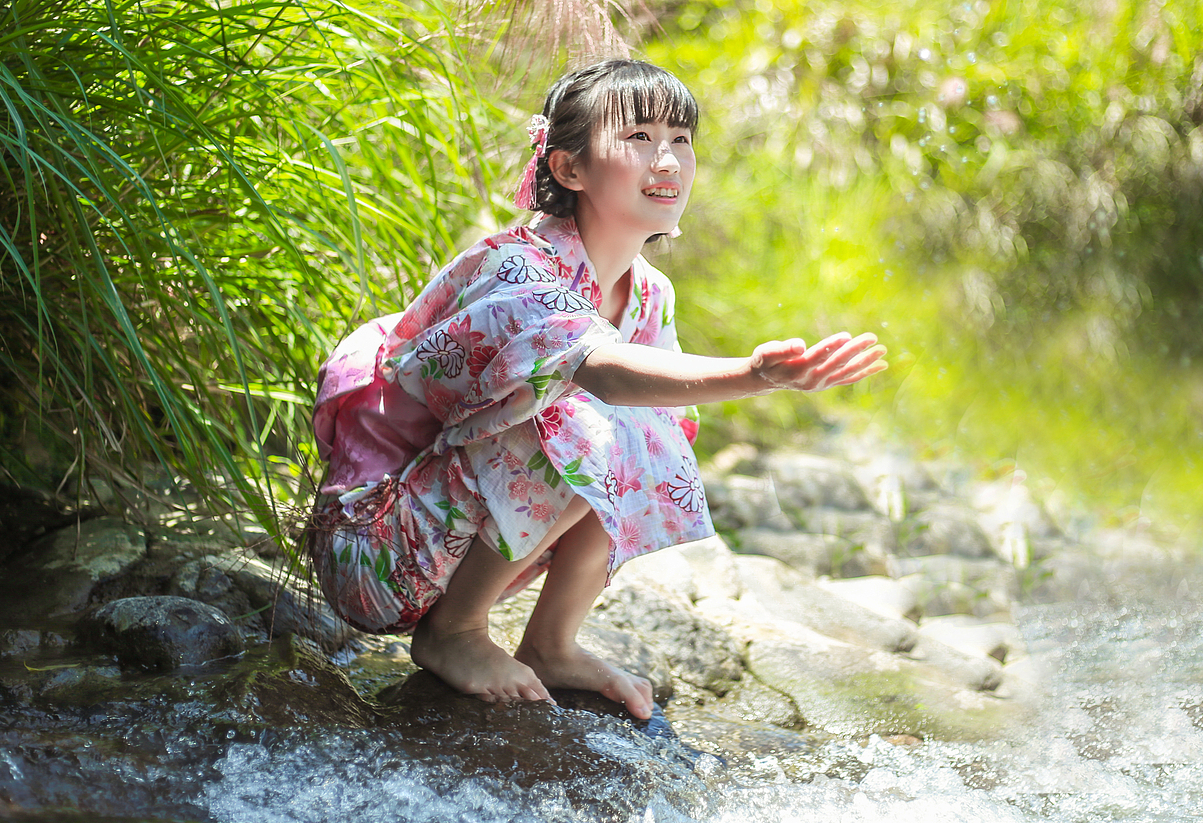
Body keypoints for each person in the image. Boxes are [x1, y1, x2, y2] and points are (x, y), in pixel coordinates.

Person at [303, 59, 887, 721]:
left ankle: (551, 641)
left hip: (439, 536)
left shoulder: (649, 292)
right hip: (374, 548)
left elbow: (648, 417)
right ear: (568, 169)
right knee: (597, 415)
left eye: (682, 139)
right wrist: (755, 375)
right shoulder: (518, 265)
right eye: (638, 137)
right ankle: (455, 631)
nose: (667, 160)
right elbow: (601, 370)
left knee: (652, 422)